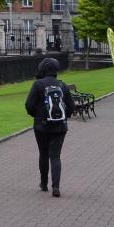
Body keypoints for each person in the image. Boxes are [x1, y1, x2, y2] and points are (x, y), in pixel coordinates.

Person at [25, 55, 73, 196]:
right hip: (60, 126)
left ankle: (44, 183)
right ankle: (56, 187)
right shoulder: (62, 85)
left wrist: (36, 115)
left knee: (43, 154)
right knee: (55, 156)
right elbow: (71, 106)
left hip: (41, 126)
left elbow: (29, 105)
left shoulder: (38, 84)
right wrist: (65, 116)